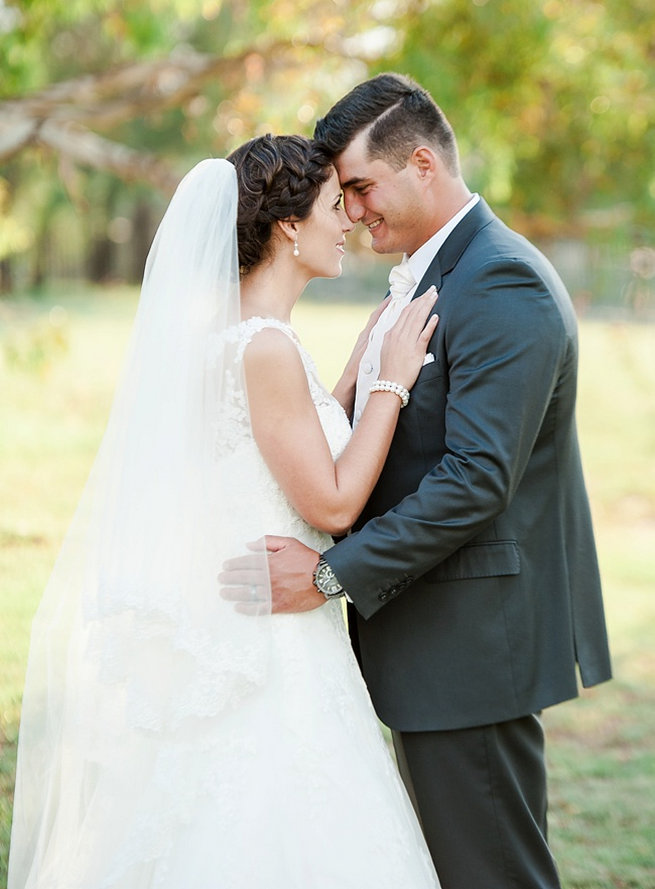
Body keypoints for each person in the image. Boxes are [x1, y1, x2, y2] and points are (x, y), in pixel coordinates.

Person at [8, 135, 443, 888]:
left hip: (261, 620)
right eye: (331, 205)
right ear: (286, 226)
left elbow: (277, 451)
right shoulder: (264, 346)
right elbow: (332, 501)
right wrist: (389, 385)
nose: (345, 222)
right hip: (274, 647)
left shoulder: (238, 338)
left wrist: (346, 379)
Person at [224, 75, 613, 889]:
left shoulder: (500, 282)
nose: (353, 209)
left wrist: (330, 573)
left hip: (469, 648)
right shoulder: (429, 278)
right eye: (342, 195)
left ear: (423, 164)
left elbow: (474, 480)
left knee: (492, 874)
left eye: (360, 187)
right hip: (424, 640)